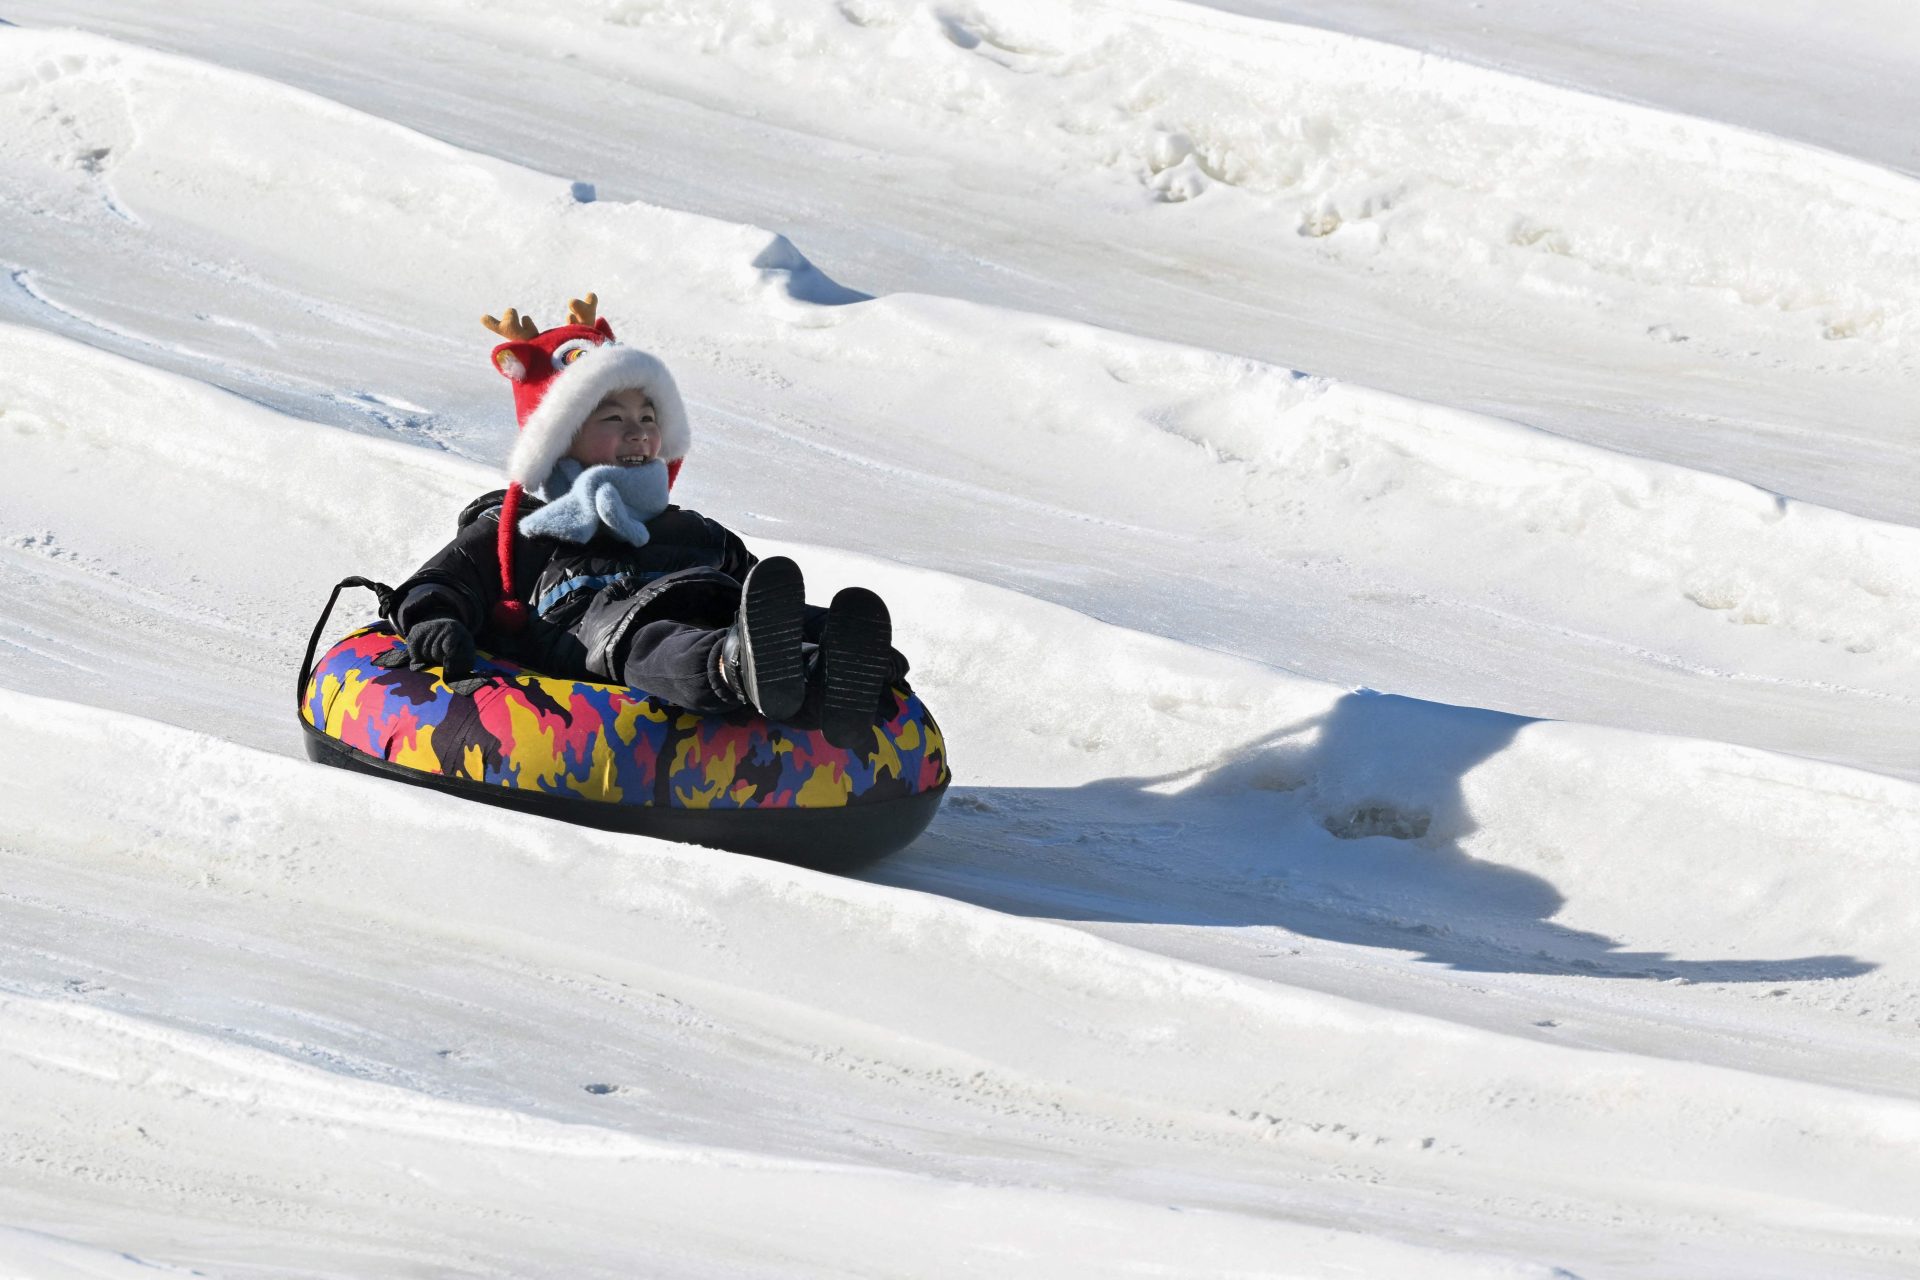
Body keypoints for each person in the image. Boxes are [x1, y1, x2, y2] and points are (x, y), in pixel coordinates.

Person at [385, 293, 903, 751]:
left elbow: (762, 598)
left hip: (716, 613)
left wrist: (790, 620)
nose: (638, 435)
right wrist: (435, 620)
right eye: (614, 420)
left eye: (648, 420)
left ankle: (835, 668)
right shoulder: (522, 531)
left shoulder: (692, 530)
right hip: (605, 635)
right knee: (652, 640)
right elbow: (441, 580)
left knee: (765, 617)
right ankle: (734, 668)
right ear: (561, 438)